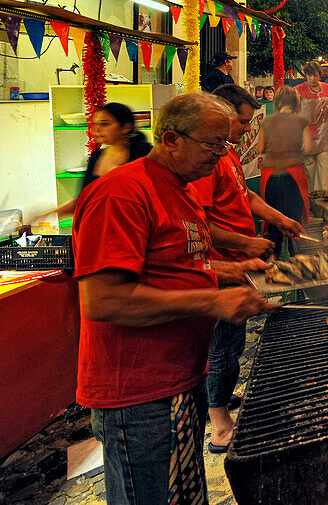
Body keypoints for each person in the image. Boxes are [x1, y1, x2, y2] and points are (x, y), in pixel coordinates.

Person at [73, 92, 278, 504]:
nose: (221, 158)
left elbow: (178, 263)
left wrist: (232, 270)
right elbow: (104, 300)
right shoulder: (122, 193)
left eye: (226, 146)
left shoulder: (180, 189)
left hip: (181, 380)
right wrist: (212, 302)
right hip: (137, 393)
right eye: (212, 145)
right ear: (171, 139)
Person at [192, 85, 305, 454]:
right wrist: (244, 244)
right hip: (222, 263)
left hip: (240, 262)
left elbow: (247, 197)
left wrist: (281, 219)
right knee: (223, 345)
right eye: (241, 121)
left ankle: (222, 396)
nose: (245, 129)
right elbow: (201, 223)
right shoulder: (207, 163)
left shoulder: (228, 154)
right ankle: (220, 423)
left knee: (235, 339)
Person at [42, 103, 152, 219]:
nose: (97, 129)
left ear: (125, 127)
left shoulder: (144, 156)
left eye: (104, 124)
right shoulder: (96, 156)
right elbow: (82, 200)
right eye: (95, 124)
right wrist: (49, 213)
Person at [257, 85, 312, 257]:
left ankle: (274, 257)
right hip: (294, 172)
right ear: (296, 102)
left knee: (274, 216)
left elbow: (260, 149)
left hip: (270, 173)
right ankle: (297, 256)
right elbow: (309, 148)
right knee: (294, 216)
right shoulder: (302, 120)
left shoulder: (267, 121)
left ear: (278, 102)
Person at [294, 62, 328, 201]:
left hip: (325, 128)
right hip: (307, 130)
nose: (312, 78)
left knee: (325, 160)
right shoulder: (298, 90)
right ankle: (312, 190)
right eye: (309, 75)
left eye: (315, 75)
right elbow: (294, 109)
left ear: (320, 75)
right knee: (309, 161)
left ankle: (326, 190)